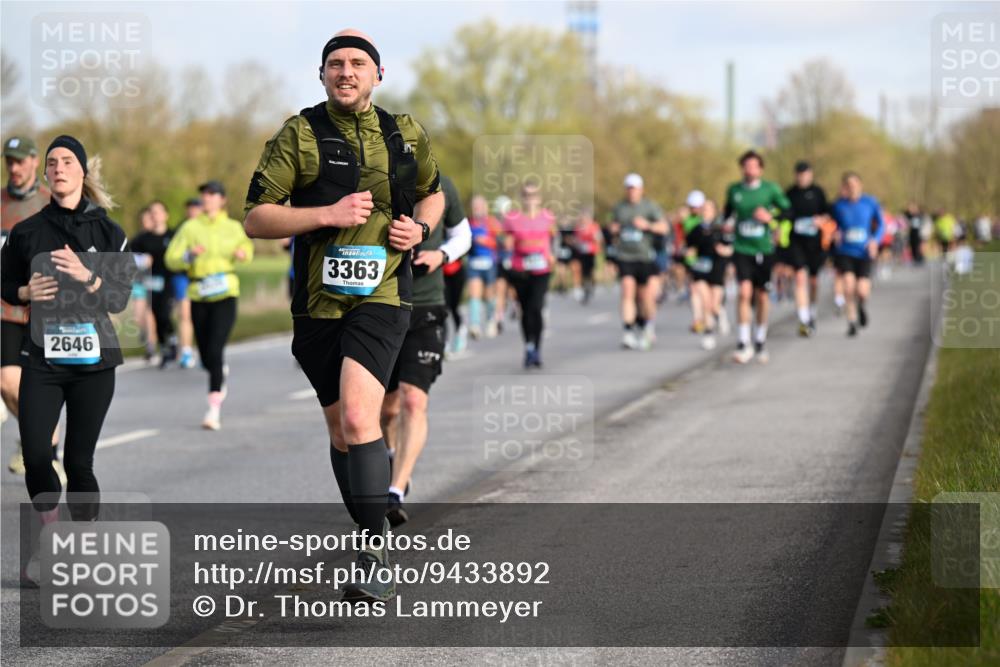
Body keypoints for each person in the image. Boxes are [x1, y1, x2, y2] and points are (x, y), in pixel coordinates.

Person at [243, 29, 443, 603]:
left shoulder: (405, 133)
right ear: (322, 74)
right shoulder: (300, 133)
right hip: (316, 305)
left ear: (378, 74)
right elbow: (257, 219)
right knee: (341, 428)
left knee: (361, 418)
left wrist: (421, 228)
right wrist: (325, 212)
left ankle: (373, 547)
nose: (346, 71)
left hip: (383, 296)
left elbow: (432, 194)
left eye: (358, 63)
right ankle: (370, 526)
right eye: (336, 64)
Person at [0, 136, 134, 556]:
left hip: (95, 364)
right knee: (38, 456)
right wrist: (24, 292)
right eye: (52, 162)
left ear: (82, 172)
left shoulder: (108, 231)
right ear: (45, 174)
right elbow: (3, 284)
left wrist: (86, 275)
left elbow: (117, 298)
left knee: (78, 464)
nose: (59, 167)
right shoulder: (26, 231)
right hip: (42, 360)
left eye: (68, 161)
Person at [382, 174, 470, 526]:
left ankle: (395, 492)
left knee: (414, 400)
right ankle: (392, 457)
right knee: (386, 411)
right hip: (381, 306)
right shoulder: (374, 178)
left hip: (426, 306)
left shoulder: (443, 186)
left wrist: (441, 255)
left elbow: (463, 233)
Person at [165, 180, 253, 430]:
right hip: (199, 293)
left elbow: (247, 249)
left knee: (215, 348)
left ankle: (213, 408)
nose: (207, 198)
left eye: (213, 194)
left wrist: (243, 254)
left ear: (222, 199)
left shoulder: (233, 227)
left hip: (226, 293)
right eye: (204, 194)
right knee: (205, 354)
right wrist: (188, 256)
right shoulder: (190, 228)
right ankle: (216, 368)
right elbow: (171, 259)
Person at [1, 136, 63, 482]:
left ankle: (47, 455)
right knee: (9, 383)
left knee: (39, 388)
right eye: (9, 160)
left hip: (47, 311)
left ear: (33, 162)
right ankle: (33, 442)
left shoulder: (49, 203)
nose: (14, 167)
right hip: (7, 306)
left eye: (20, 160)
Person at [724, 149, 791, 364]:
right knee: (744, 293)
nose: (750, 169)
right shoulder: (734, 190)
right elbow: (727, 214)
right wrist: (725, 225)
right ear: (742, 168)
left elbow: (788, 211)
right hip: (742, 248)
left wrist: (770, 217)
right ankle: (743, 342)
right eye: (746, 165)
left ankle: (760, 339)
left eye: (754, 166)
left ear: (760, 169)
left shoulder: (770, 190)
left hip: (764, 249)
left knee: (762, 296)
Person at [609, 173, 668, 350]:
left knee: (645, 297)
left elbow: (664, 227)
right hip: (625, 257)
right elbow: (611, 228)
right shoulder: (619, 208)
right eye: (628, 188)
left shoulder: (650, 207)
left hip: (646, 257)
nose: (631, 191)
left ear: (641, 189)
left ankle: (648, 327)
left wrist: (647, 225)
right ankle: (627, 332)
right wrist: (614, 229)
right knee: (627, 291)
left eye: (634, 188)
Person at [503, 179, 556, 368]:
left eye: (533, 195)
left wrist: (552, 255)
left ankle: (537, 349)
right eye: (526, 195)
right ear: (521, 197)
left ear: (539, 198)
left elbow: (552, 238)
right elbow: (508, 242)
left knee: (536, 307)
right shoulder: (513, 218)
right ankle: (528, 346)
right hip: (520, 269)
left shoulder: (547, 217)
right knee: (525, 310)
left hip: (542, 269)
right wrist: (507, 248)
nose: (530, 199)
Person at [830, 171, 884, 337]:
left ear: (860, 185)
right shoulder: (839, 206)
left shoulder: (870, 202)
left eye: (854, 185)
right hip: (845, 251)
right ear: (844, 187)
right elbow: (833, 224)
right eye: (848, 185)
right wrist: (835, 232)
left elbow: (881, 224)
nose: (852, 188)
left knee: (862, 291)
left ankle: (861, 306)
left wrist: (875, 241)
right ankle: (852, 321)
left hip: (864, 252)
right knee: (848, 286)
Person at [784, 160, 830, 337]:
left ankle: (812, 310)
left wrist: (821, 220)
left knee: (813, 281)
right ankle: (803, 320)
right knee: (800, 278)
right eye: (799, 174)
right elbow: (784, 214)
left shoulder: (818, 192)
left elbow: (828, 213)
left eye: (805, 174)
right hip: (797, 242)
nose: (802, 177)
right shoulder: (789, 193)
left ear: (810, 175)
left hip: (815, 243)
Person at [131, 201, 178, 366]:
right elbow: (128, 257)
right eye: (152, 212)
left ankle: (172, 339)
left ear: (166, 215)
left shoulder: (174, 236)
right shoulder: (142, 239)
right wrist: (142, 260)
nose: (155, 215)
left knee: (164, 313)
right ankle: (164, 347)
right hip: (149, 282)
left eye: (158, 212)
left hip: (168, 280)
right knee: (156, 315)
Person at [684, 199, 732, 350]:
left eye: (708, 209)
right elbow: (689, 248)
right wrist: (689, 256)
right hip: (701, 267)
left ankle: (720, 314)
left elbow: (731, 248)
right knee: (705, 301)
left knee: (713, 305)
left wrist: (724, 251)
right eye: (703, 209)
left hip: (717, 267)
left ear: (714, 211)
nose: (705, 212)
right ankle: (708, 333)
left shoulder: (721, 229)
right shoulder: (696, 229)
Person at [465, 194, 503, 337]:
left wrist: (486, 241)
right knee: (474, 294)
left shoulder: (492, 223)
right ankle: (474, 325)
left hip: (490, 263)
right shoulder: (468, 223)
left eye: (479, 207)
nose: (477, 210)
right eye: (475, 207)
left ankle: (491, 319)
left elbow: (502, 243)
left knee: (489, 295)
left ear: (485, 208)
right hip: (474, 263)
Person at [174, 197, 201, 369]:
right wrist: (188, 254)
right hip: (183, 276)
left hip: (203, 277)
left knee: (201, 316)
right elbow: (174, 254)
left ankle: (207, 350)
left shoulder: (207, 228)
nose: (192, 211)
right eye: (189, 208)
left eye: (195, 208)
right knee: (184, 314)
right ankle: (185, 350)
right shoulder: (181, 229)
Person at [571, 208, 602, 304]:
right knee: (581, 271)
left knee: (590, 271)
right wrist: (575, 242)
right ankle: (584, 288)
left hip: (591, 252)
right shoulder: (578, 227)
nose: (583, 219)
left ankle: (592, 284)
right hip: (581, 253)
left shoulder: (594, 226)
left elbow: (599, 239)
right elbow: (575, 239)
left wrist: (593, 240)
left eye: (585, 217)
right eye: (582, 217)